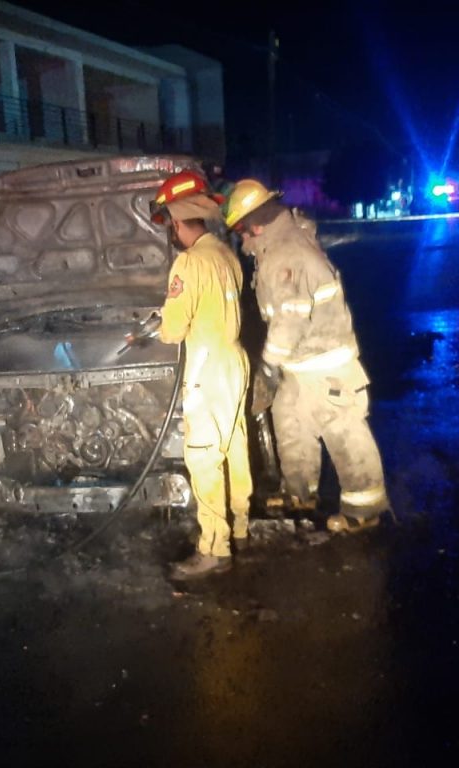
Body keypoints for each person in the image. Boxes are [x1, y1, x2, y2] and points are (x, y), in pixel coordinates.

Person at [224, 179, 389, 534]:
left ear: (255, 224)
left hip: (325, 365)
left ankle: (364, 509)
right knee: (291, 425)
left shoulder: (285, 254)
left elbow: (290, 318)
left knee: (343, 434)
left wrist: (268, 364)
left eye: (241, 232)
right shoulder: (280, 246)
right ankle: (299, 494)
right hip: (301, 365)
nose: (242, 242)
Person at [149, 170, 253, 579]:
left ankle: (214, 548)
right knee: (235, 447)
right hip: (234, 358)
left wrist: (163, 324)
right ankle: (241, 526)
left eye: (171, 224)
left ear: (177, 222)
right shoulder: (227, 254)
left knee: (203, 457)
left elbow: (174, 329)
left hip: (207, 368)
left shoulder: (188, 262)